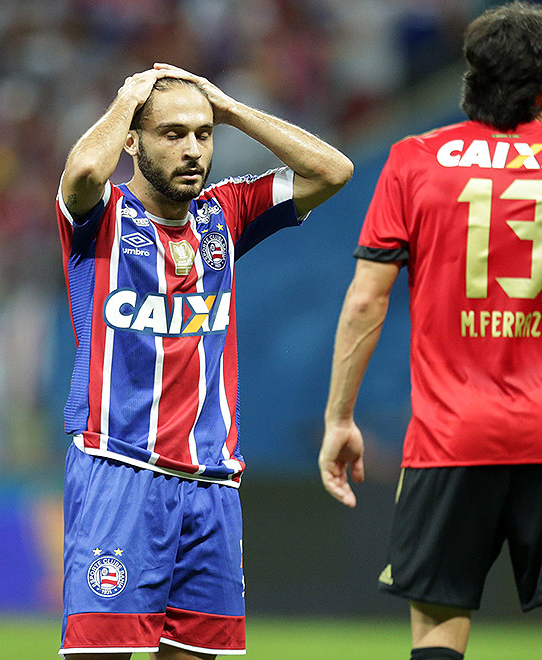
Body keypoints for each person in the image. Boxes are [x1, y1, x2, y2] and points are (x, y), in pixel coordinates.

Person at [317, 0, 542, 660]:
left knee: (438, 631)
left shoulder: (412, 161)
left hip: (449, 436)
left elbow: (364, 304)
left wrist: (339, 419)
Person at [58, 63, 352, 657]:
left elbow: (334, 170)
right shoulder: (99, 216)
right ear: (133, 143)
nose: (193, 149)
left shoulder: (226, 214)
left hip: (211, 481)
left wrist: (230, 108)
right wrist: (127, 100)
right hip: (120, 468)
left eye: (202, 134)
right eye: (172, 135)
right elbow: (87, 168)